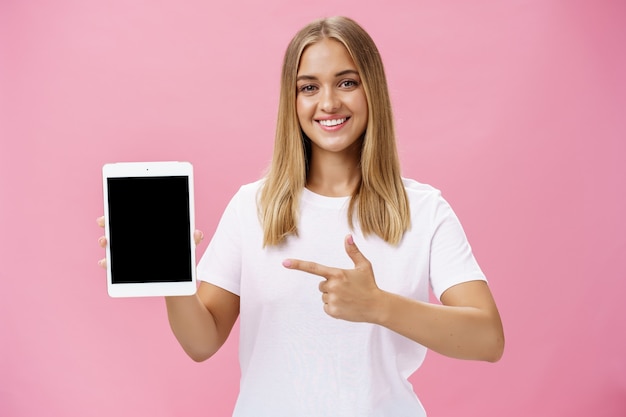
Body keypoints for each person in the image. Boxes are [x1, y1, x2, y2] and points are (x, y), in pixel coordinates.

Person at [98, 15, 504, 417]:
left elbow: (487, 339)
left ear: (372, 90)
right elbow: (201, 343)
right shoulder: (252, 207)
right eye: (309, 87)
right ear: (292, 101)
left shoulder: (425, 210)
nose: (328, 102)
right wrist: (176, 274)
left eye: (347, 82)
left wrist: (378, 305)